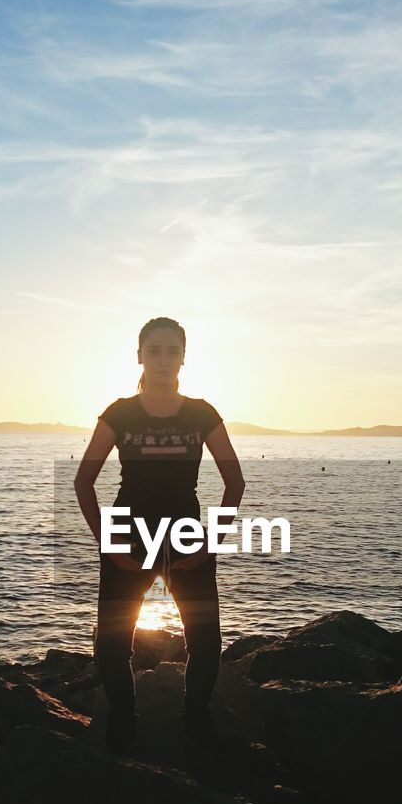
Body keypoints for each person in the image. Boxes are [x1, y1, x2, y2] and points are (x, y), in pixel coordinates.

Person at [74, 317, 245, 756]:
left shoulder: (202, 414)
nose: (163, 360)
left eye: (172, 351)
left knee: (205, 640)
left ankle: (196, 717)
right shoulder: (119, 413)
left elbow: (235, 483)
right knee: (113, 642)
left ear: (184, 358)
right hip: (128, 532)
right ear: (140, 356)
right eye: (155, 351)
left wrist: (209, 543)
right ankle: (123, 722)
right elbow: (83, 482)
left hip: (186, 534)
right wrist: (108, 545)